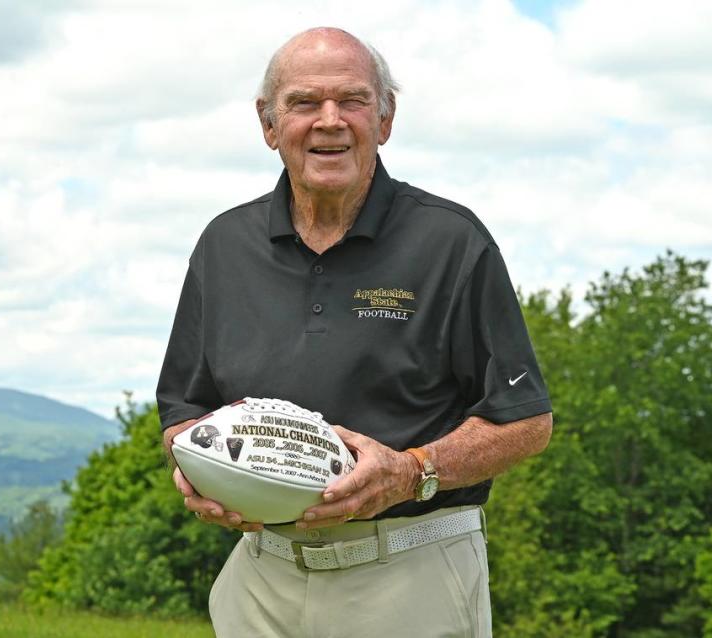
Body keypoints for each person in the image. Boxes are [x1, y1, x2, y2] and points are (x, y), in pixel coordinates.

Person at [157, 26, 552, 638]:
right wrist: (197, 468)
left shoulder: (451, 241)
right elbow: (184, 407)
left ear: (385, 120)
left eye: (354, 100)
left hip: (409, 568)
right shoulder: (222, 246)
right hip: (262, 579)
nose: (330, 121)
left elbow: (525, 420)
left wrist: (412, 469)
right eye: (305, 103)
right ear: (268, 124)